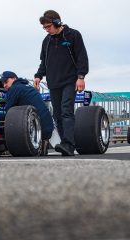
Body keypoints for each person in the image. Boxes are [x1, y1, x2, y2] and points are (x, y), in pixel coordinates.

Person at [33, 10, 89, 156]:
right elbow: (43, 62)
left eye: (48, 26)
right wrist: (39, 75)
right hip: (54, 83)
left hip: (70, 81)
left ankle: (69, 144)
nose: (46, 30)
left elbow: (82, 57)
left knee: (66, 111)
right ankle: (65, 143)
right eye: (44, 28)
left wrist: (81, 77)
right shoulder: (47, 41)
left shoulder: (73, 35)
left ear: (57, 23)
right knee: (57, 114)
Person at [0, 71, 54, 155]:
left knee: (2, 118)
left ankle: (5, 147)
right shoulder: (28, 87)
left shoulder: (14, 88)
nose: (4, 85)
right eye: (3, 83)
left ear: (14, 79)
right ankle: (43, 142)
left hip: (36, 127)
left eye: (6, 82)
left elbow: (8, 112)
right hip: (48, 126)